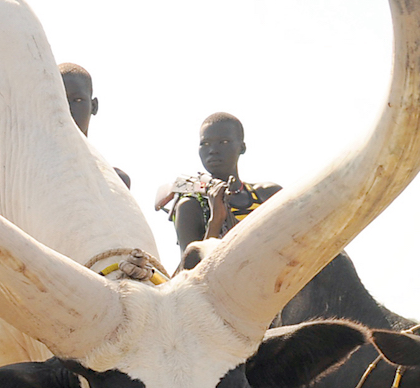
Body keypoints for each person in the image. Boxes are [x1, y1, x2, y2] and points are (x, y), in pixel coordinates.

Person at [158, 112, 281, 255]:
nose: (213, 150)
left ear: (242, 147)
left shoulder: (267, 195)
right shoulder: (191, 206)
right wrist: (216, 220)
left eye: (224, 142)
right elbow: (191, 271)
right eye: (205, 144)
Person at [59, 63, 128, 188]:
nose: (68, 108)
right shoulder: (28, 175)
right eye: (60, 100)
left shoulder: (115, 182)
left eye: (77, 100)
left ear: (94, 106)